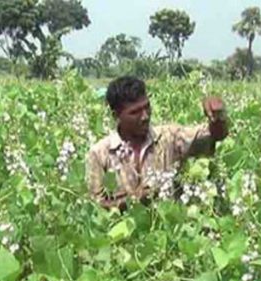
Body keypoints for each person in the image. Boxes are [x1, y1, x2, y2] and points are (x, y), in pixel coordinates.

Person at [86, 76, 229, 209]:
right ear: (116, 116)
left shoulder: (169, 137)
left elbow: (214, 135)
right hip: (121, 233)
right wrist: (137, 199)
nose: (145, 116)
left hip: (166, 229)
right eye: (135, 112)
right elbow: (96, 207)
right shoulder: (100, 153)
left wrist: (217, 118)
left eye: (147, 107)